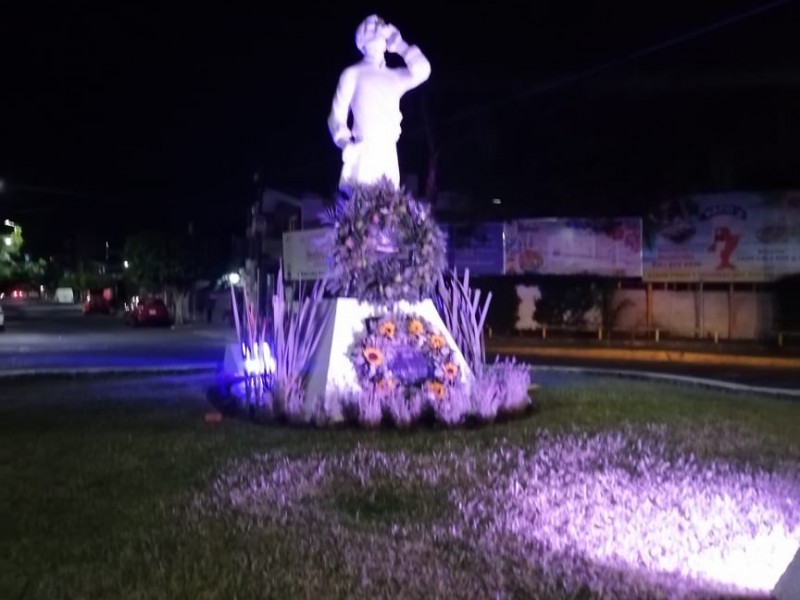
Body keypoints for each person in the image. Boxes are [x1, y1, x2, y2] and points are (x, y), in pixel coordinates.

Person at [328, 15, 431, 190]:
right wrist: (345, 143)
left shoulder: (394, 76)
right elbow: (336, 116)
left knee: (389, 206)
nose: (376, 30)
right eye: (370, 28)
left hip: (388, 150)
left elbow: (423, 71)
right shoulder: (353, 73)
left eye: (378, 27)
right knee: (361, 207)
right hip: (364, 149)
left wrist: (400, 45)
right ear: (361, 40)